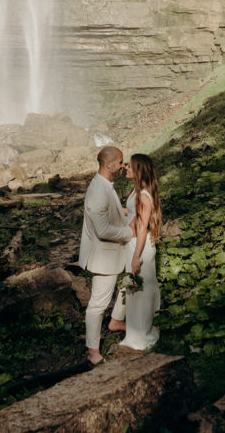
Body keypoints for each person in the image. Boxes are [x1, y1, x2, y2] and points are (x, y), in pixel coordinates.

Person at [78, 145, 134, 365]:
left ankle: (116, 322)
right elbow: (103, 230)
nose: (122, 165)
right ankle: (93, 351)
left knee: (127, 284)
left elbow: (112, 212)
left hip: (114, 253)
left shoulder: (105, 184)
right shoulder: (97, 192)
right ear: (108, 164)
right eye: (120, 162)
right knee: (98, 304)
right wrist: (131, 232)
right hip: (103, 256)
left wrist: (129, 212)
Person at [119, 153, 162, 350]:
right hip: (134, 244)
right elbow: (133, 215)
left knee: (140, 291)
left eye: (130, 165)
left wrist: (136, 257)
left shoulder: (144, 195)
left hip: (140, 247)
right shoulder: (137, 192)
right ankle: (137, 330)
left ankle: (140, 335)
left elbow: (143, 227)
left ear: (138, 169)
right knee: (135, 291)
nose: (126, 167)